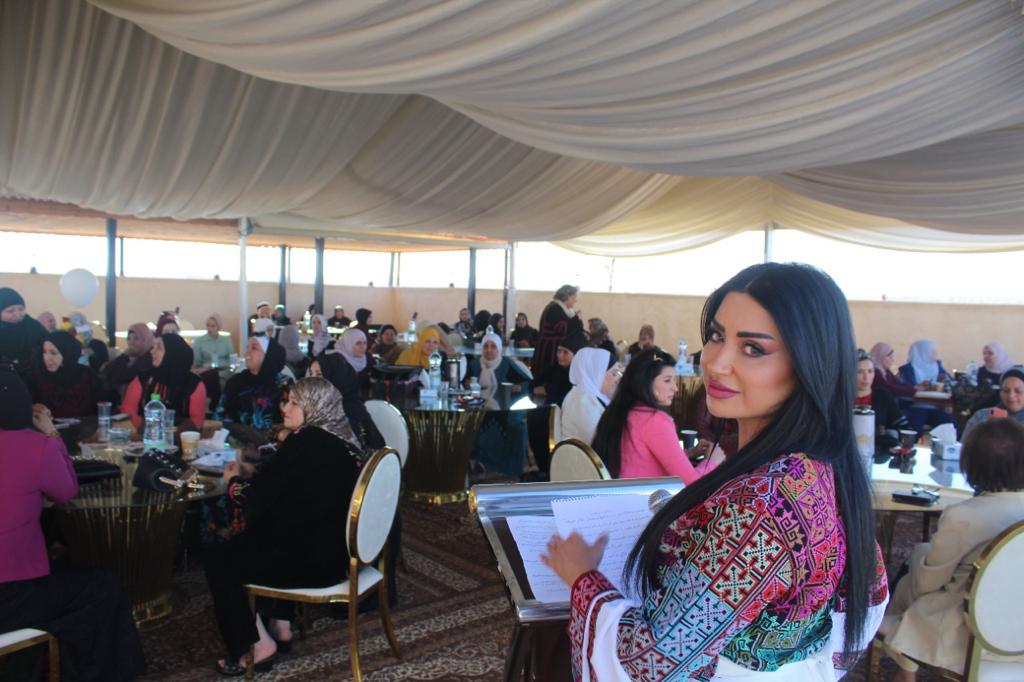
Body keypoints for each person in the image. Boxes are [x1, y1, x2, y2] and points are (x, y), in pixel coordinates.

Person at [543, 263, 888, 680]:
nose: (716, 363)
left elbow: (651, 661)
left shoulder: (760, 505)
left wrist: (583, 577)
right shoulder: (820, 465)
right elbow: (867, 599)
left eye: (753, 348)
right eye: (717, 336)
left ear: (809, 365)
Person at [203, 377, 364, 676]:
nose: (285, 409)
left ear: (314, 407)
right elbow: (293, 484)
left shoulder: (305, 441)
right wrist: (257, 473)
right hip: (335, 554)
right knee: (266, 531)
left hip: (309, 563)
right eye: (286, 401)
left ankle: (257, 645)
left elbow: (254, 497)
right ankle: (281, 624)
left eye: (294, 403)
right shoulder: (339, 439)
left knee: (219, 558)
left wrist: (233, 482)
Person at [0, 369, 145, 682]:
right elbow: (66, 491)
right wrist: (50, 433)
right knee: (104, 588)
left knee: (66, 570)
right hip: (12, 595)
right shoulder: (35, 447)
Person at [878, 418, 1024, 680]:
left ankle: (904, 669)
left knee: (910, 580)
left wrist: (919, 556)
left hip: (968, 635)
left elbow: (927, 585)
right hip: (1015, 629)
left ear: (972, 465)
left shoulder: (964, 517)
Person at [591, 347, 723, 481]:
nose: (675, 388)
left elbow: (641, 460)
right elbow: (690, 482)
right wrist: (712, 462)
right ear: (647, 382)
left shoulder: (621, 410)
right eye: (667, 380)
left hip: (619, 492)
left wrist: (689, 453)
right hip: (646, 494)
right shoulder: (653, 419)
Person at [466, 332, 531, 475]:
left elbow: (526, 382)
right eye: (486, 346)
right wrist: (467, 384)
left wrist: (517, 387)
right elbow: (464, 382)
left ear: (499, 349)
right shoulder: (475, 364)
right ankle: (476, 461)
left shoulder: (506, 364)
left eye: (493, 347)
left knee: (499, 420)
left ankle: (492, 463)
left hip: (502, 407)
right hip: (478, 405)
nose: (489, 350)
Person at [527, 329, 589, 478]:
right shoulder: (556, 368)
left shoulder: (580, 374)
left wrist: (547, 389)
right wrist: (548, 389)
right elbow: (533, 384)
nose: (560, 356)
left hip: (567, 419)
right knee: (534, 417)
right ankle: (544, 467)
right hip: (547, 412)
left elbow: (565, 394)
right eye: (559, 351)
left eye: (565, 352)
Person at [122, 333, 207, 432]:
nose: (152, 351)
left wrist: (169, 435)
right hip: (145, 436)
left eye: (158, 348)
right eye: (153, 347)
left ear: (172, 352)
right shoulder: (143, 378)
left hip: (181, 439)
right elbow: (128, 409)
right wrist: (147, 429)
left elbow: (196, 421)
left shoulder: (193, 383)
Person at [216, 336, 292, 438]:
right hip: (235, 442)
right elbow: (220, 418)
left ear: (268, 355)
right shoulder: (235, 382)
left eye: (254, 348)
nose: (246, 354)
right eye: (247, 348)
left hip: (273, 444)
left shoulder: (282, 384)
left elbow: (290, 424)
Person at [315, 351, 384, 450]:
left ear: (335, 377)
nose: (311, 379)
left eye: (318, 374)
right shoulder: (314, 406)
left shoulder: (349, 411)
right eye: (311, 373)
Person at [29, 331, 101, 418]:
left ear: (67, 353)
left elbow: (101, 406)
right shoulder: (37, 378)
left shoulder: (86, 375)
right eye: (44, 352)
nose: (47, 358)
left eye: (53, 353)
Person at [560, 347, 621, 446]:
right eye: (614, 373)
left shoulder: (585, 395)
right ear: (597, 374)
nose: (617, 379)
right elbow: (601, 442)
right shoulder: (583, 403)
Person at [855, 349, 910, 451]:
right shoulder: (841, 399)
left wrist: (889, 435)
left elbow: (904, 428)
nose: (866, 377)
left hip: (880, 452)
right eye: (860, 372)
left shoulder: (883, 396)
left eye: (870, 371)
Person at [899, 340, 955, 437]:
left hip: (936, 406)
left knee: (949, 424)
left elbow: (949, 382)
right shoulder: (908, 369)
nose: (936, 354)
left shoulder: (937, 367)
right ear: (924, 353)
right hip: (915, 406)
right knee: (914, 427)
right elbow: (904, 390)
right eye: (933, 351)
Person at [533, 285, 584, 387]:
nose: (575, 300)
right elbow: (564, 329)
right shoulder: (554, 309)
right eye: (574, 297)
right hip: (549, 350)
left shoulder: (561, 309)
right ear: (567, 297)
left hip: (556, 348)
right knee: (547, 380)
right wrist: (576, 318)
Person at [0, 287, 48, 379]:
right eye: (10, 311)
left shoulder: (33, 326)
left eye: (21, 309)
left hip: (35, 378)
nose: (17, 314)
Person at [101, 322, 154, 400]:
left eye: (136, 338)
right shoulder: (132, 357)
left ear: (145, 340)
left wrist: (124, 356)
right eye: (129, 339)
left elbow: (120, 378)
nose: (131, 342)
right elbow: (110, 376)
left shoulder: (149, 358)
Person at [963, 367, 1024, 434]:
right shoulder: (981, 417)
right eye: (1006, 390)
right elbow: (967, 440)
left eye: (1018, 391)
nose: (1011, 395)